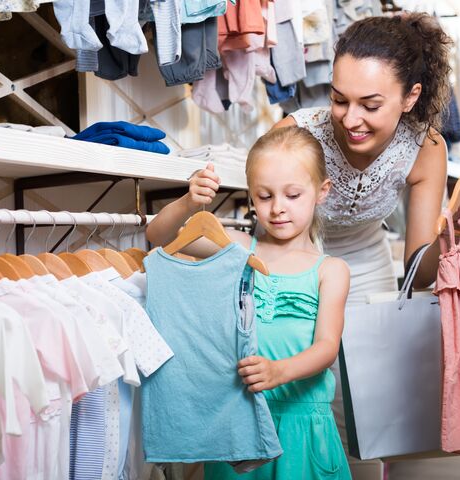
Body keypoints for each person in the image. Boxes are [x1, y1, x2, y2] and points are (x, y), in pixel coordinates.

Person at [271, 12, 460, 480]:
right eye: (338, 99)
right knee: (304, 403)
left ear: (411, 97)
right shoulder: (296, 134)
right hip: (297, 265)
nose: (351, 119)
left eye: (370, 104)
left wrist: (452, 236)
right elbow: (265, 230)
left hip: (368, 266)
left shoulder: (425, 146)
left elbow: (420, 269)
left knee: (364, 409)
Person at [146, 126, 352, 480]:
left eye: (292, 195)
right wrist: (189, 203)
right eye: (264, 196)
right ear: (250, 196)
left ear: (322, 192)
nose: (277, 209)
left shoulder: (331, 270)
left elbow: (326, 348)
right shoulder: (238, 249)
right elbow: (159, 237)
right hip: (238, 421)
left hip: (302, 426)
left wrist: (278, 371)